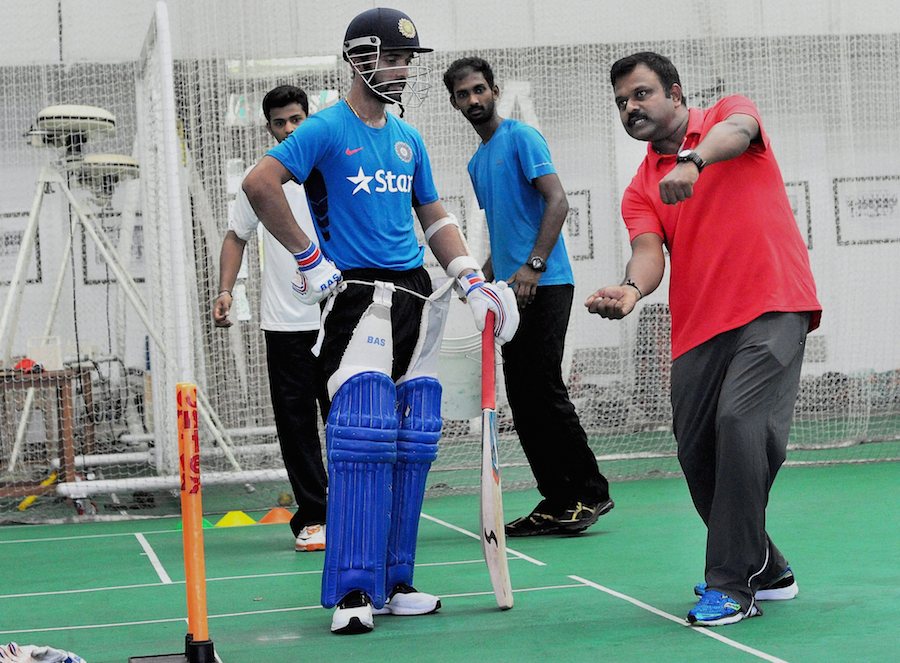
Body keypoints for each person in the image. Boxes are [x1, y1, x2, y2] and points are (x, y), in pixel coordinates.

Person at [242, 7, 519, 636]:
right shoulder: (324, 128)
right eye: (390, 57)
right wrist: (309, 258)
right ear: (358, 56)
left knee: (412, 436)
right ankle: (351, 592)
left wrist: (472, 281)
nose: (399, 70)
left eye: (405, 60)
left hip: (417, 293)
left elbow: (433, 213)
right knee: (361, 436)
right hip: (355, 296)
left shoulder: (407, 136)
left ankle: (396, 581)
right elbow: (261, 184)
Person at [586, 52, 821, 627]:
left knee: (741, 424)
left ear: (675, 92)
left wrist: (692, 159)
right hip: (699, 329)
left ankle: (730, 585)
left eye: (640, 94)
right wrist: (630, 291)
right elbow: (647, 254)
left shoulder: (729, 115)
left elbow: (738, 134)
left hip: (774, 305)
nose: (631, 108)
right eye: (621, 102)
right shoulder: (640, 188)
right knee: (697, 454)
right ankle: (768, 569)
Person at [443, 57, 613, 537]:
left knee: (544, 388)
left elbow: (557, 200)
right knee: (522, 396)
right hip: (511, 291)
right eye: (463, 95)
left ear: (494, 90)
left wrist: (534, 265)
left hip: (547, 282)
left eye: (479, 90)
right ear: (454, 102)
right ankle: (556, 499)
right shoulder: (478, 162)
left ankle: (589, 493)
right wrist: (480, 280)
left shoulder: (521, 138)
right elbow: (505, 230)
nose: (473, 100)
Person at [212, 85, 329, 554]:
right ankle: (316, 516)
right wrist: (225, 290)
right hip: (284, 324)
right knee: (296, 425)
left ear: (309, 118)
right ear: (269, 128)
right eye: (280, 123)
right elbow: (236, 236)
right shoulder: (260, 179)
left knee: (347, 419)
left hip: (338, 317)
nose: (289, 129)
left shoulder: (328, 170)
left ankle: (358, 507)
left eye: (297, 119)